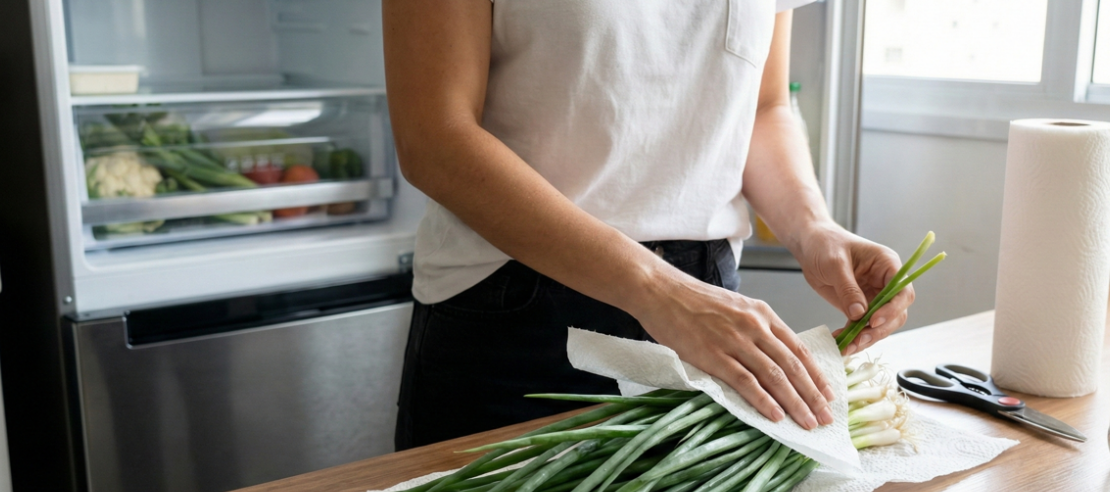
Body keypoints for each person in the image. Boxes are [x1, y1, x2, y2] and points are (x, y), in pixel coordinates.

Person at [385, 0, 914, 450]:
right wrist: (660, 291)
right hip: (516, 307)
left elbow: (762, 105)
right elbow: (434, 138)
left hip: (710, 307)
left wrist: (813, 228)